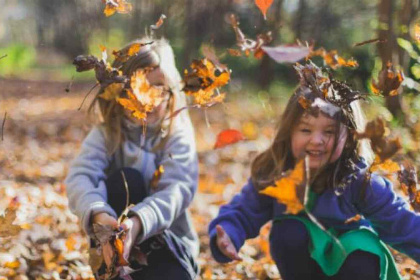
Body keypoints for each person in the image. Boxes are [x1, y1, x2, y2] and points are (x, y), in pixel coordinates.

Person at [208, 63, 420, 280]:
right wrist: (228, 235)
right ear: (290, 132)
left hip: (354, 267)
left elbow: (401, 222)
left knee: (361, 248)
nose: (316, 140)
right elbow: (244, 210)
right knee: (288, 231)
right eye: (306, 129)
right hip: (304, 264)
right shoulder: (277, 172)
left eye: (329, 132)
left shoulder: (359, 180)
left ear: (349, 138)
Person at [65, 38, 199, 280]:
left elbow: (178, 189)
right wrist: (99, 215)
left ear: (171, 90)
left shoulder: (176, 135)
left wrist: (138, 223)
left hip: (169, 249)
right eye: (137, 87)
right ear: (118, 90)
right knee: (126, 179)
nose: (148, 99)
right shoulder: (107, 134)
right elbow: (80, 177)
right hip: (115, 250)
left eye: (158, 87)